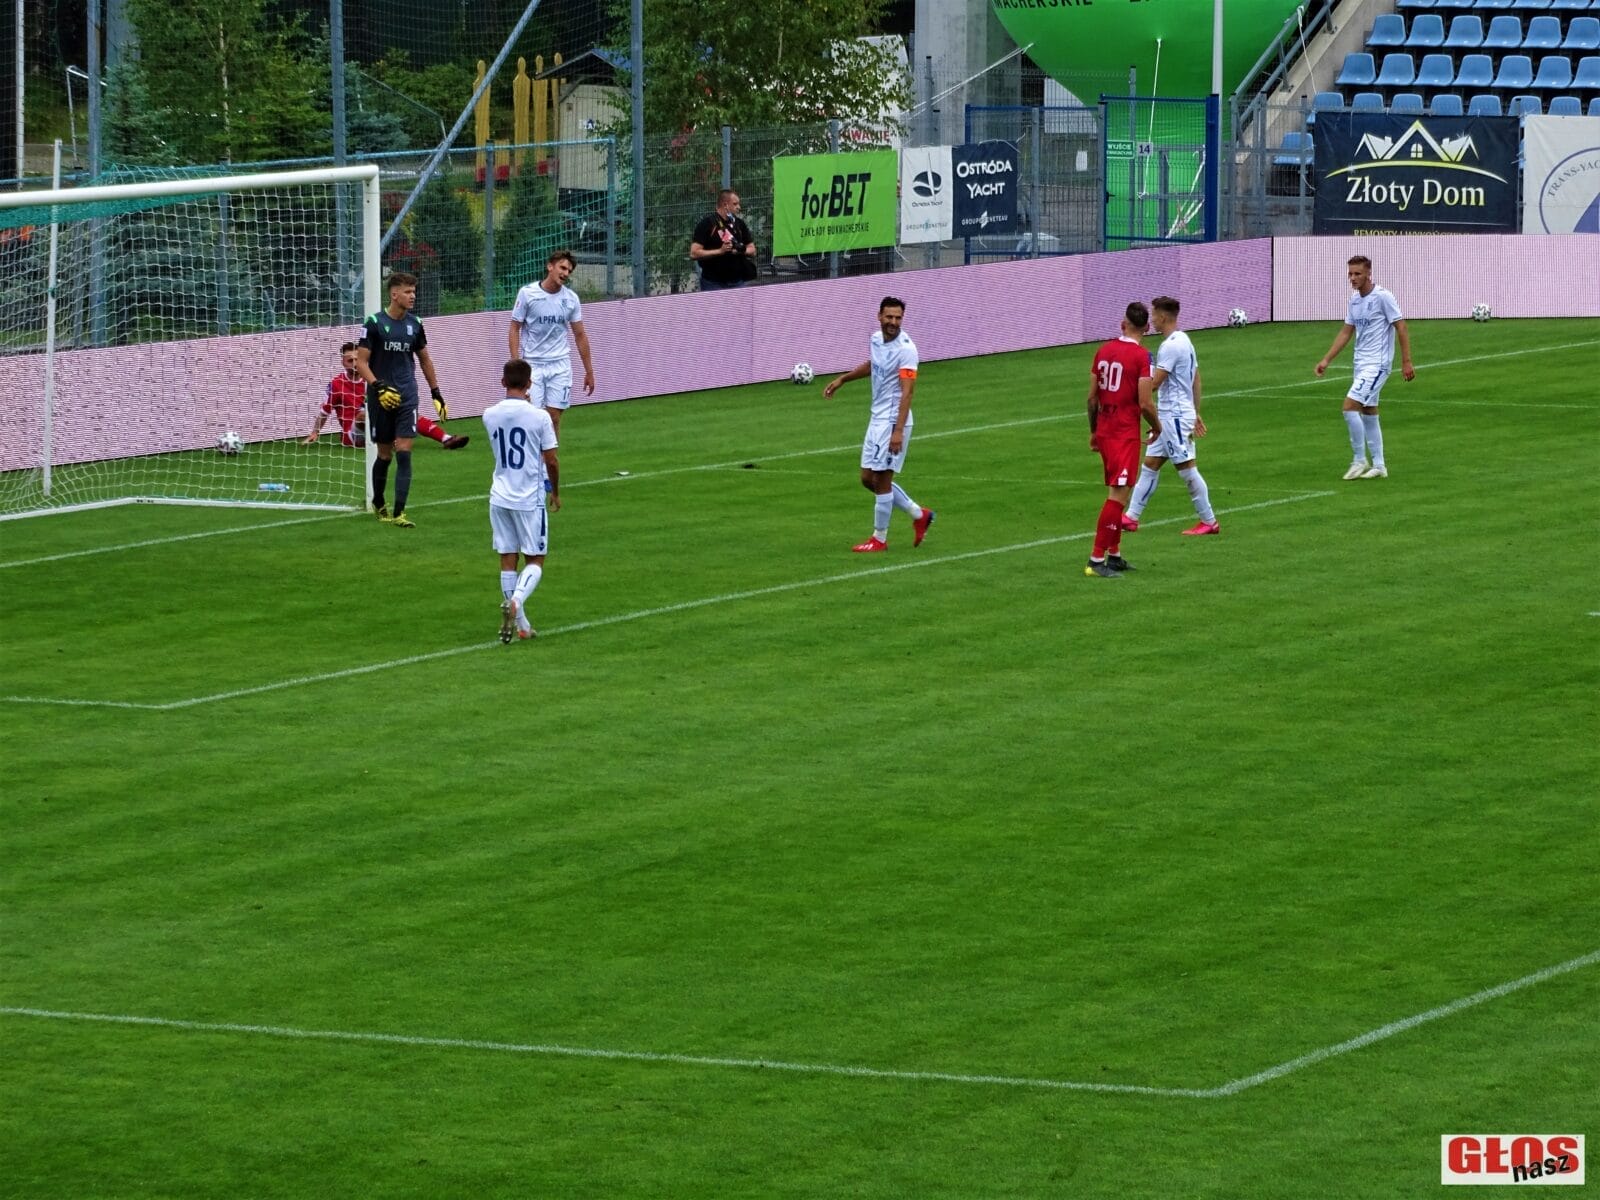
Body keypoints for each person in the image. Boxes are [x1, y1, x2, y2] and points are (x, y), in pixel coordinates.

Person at [822, 296, 936, 553]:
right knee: (867, 479)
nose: (893, 322)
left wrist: (897, 431)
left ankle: (879, 539)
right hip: (876, 419)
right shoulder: (876, 339)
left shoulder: (907, 349)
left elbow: (908, 393)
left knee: (882, 480)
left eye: (898, 318)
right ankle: (919, 514)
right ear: (880, 316)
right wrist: (843, 379)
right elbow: (875, 365)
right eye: (889, 317)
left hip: (894, 421)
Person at [1120, 296, 1220, 537]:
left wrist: (1132, 386)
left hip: (1173, 416)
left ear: (1163, 317)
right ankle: (1131, 517)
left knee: (1187, 469)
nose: (1151, 319)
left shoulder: (1170, 346)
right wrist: (1196, 412)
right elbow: (1196, 378)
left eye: (1154, 314)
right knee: (1150, 465)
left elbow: (1154, 384)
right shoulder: (1185, 341)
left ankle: (1209, 521)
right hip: (1171, 415)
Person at [357, 271, 449, 528]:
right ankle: (378, 502)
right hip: (381, 398)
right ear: (393, 294)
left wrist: (436, 392)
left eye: (414, 291)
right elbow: (362, 362)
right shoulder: (374, 323)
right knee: (384, 454)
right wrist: (378, 386)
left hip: (407, 395)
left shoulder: (415, 323)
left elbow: (424, 359)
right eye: (408, 292)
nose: (413, 296)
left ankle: (399, 512)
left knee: (405, 452)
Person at [1314, 254, 1414, 480]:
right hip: (1361, 364)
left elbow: (1401, 326)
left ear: (1369, 273)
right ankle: (1379, 465)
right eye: (1350, 273)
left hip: (1377, 365)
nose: (1353, 278)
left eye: (1357, 273)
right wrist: (1326, 360)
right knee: (1369, 411)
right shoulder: (1355, 300)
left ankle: (1359, 459)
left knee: (1349, 407)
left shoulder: (1383, 297)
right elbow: (1346, 332)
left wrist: (1406, 360)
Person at [484, 359, 560, 644]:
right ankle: (515, 602)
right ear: (530, 384)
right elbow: (551, 459)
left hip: (499, 495)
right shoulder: (540, 417)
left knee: (507, 557)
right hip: (528, 497)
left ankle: (522, 625)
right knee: (535, 559)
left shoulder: (488, 414)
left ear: (503, 382)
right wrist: (555, 490)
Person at [1084, 302, 1161, 578]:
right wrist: (1157, 427)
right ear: (1147, 328)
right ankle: (1095, 559)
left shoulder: (1103, 351)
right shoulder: (1142, 357)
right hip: (1124, 431)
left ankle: (1114, 555)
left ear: (1122, 324)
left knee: (1120, 490)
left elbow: (1092, 397)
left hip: (1105, 427)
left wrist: (1094, 431)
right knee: (1118, 496)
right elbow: (1145, 402)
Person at [303, 341, 469, 450]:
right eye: (349, 360)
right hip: (353, 436)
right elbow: (325, 411)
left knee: (406, 411)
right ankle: (392, 438)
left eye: (357, 359)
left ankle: (447, 439)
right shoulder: (336, 384)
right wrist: (315, 432)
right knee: (362, 415)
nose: (354, 364)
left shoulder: (373, 378)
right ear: (343, 362)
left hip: (378, 424)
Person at [507, 248, 595, 439]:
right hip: (533, 365)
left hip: (560, 365)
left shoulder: (571, 299)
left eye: (569, 271)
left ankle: (548, 463)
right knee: (534, 417)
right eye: (562, 268)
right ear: (550, 267)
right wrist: (516, 365)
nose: (565, 273)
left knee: (553, 417)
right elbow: (514, 328)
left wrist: (589, 371)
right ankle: (534, 462)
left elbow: (580, 334)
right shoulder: (527, 294)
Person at [690, 189, 758, 291]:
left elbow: (752, 250)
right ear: (725, 205)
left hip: (737, 282)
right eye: (735, 204)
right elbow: (694, 253)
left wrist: (741, 250)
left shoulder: (739, 224)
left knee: (741, 307)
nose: (739, 207)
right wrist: (720, 251)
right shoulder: (706, 224)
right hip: (713, 283)